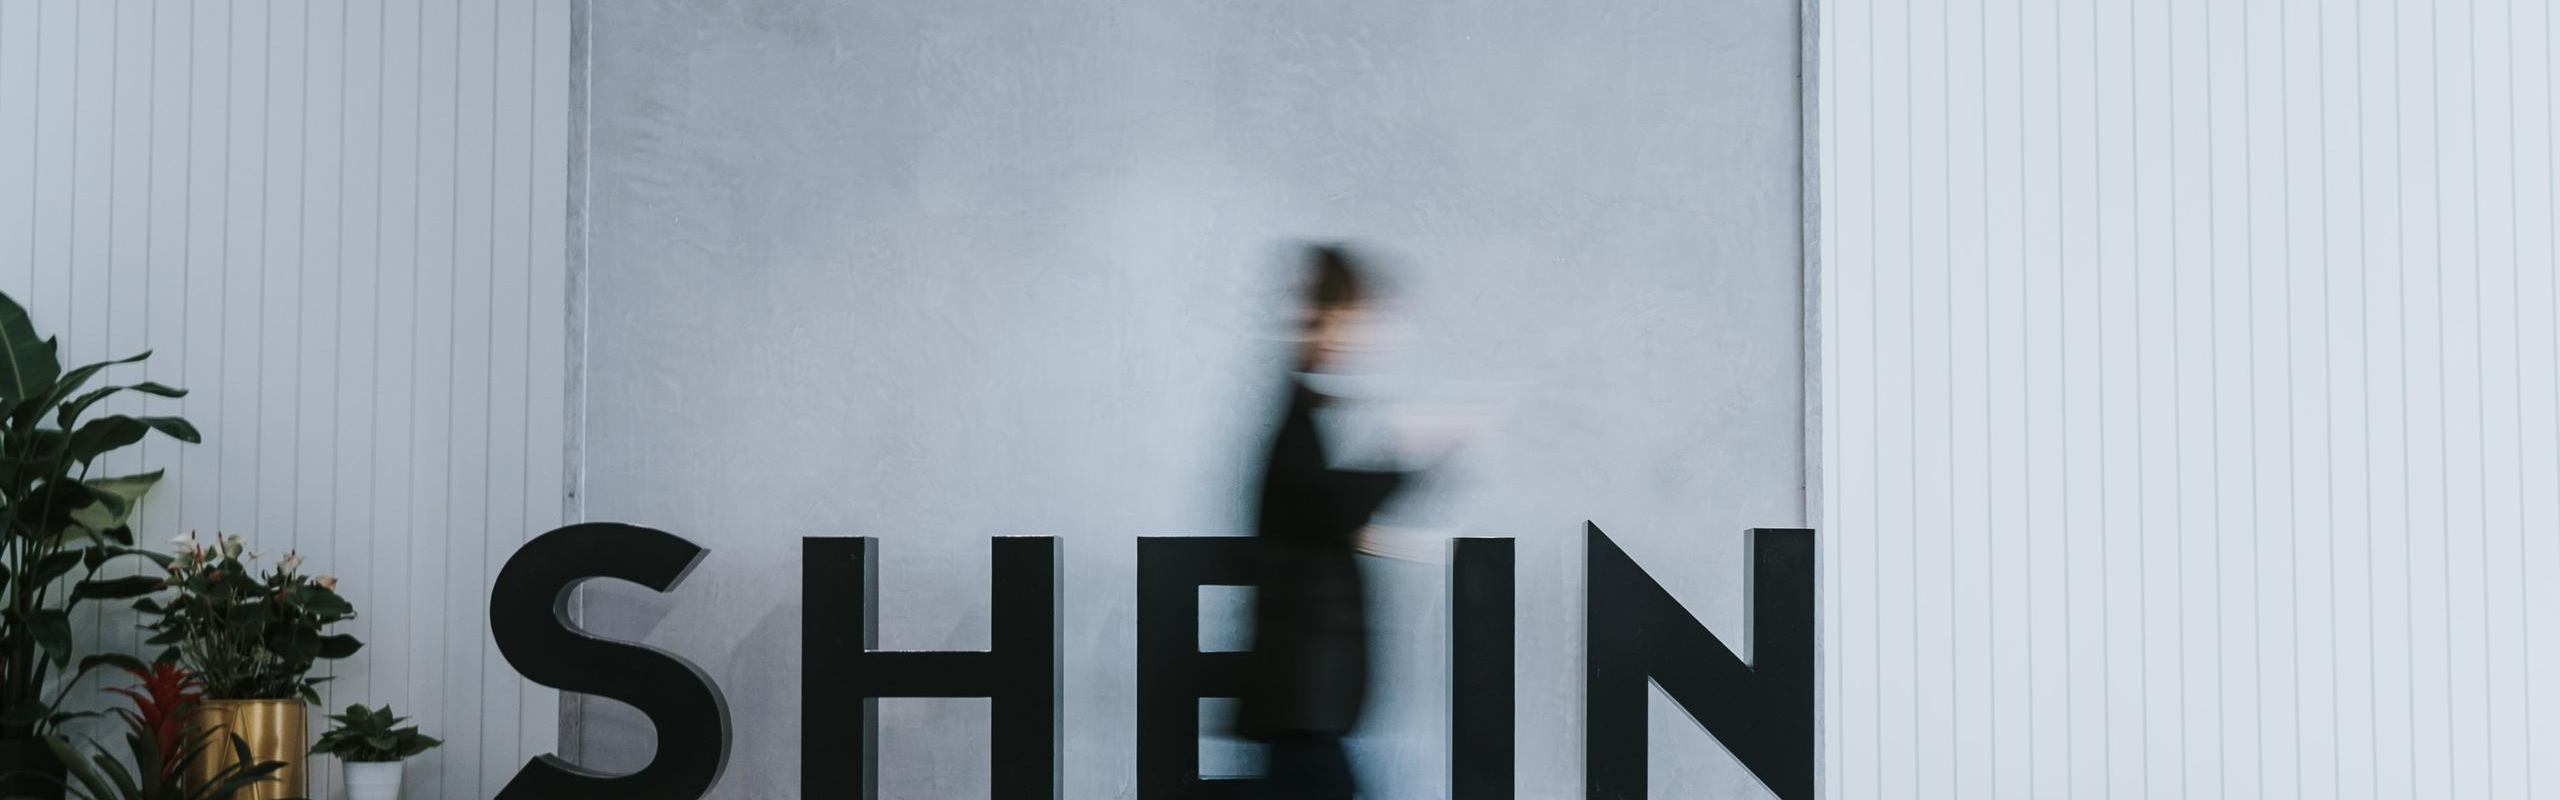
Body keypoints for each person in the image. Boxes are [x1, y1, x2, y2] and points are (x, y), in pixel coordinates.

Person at [1235, 244, 1415, 800]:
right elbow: (1327, 508)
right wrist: (1409, 455)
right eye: (1354, 315)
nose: (1365, 334)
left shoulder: (1302, 416)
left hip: (1305, 703)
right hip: (1303, 700)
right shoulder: (1297, 425)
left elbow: (1323, 513)